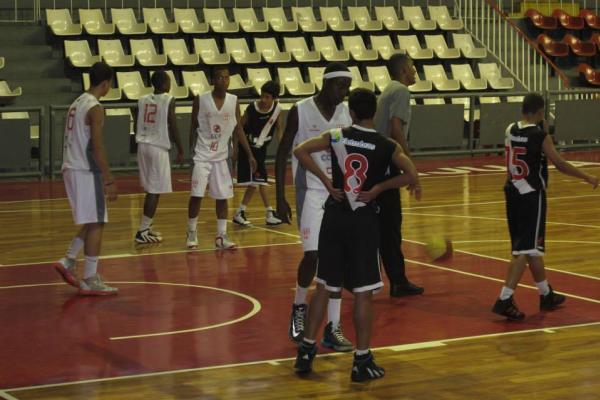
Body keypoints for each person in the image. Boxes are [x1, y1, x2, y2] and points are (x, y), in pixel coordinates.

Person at [293, 88, 419, 381]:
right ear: (374, 112)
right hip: (363, 220)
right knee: (363, 293)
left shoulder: (337, 136)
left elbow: (300, 151)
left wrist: (327, 182)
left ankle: (306, 351)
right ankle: (361, 360)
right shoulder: (386, 145)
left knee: (324, 286)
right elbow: (411, 174)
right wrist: (378, 188)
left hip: (335, 216)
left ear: (351, 112)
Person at [492, 93, 598, 320]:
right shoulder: (540, 136)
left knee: (532, 248)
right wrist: (586, 176)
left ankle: (546, 293)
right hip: (531, 195)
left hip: (512, 191)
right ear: (540, 112)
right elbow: (559, 164)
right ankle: (504, 298)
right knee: (523, 250)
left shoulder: (510, 129)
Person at [275, 63, 354, 352]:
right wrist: (279, 197)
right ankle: (299, 305)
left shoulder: (345, 113)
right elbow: (282, 153)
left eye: (348, 87)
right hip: (310, 190)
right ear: (326, 84)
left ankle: (333, 327)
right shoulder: (301, 110)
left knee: (337, 260)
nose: (345, 92)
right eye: (341, 86)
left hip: (338, 193)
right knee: (313, 255)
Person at [53, 61, 118, 295]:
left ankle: (68, 259)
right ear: (106, 84)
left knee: (92, 220)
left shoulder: (78, 101)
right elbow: (97, 147)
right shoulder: (95, 107)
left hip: (71, 166)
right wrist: (108, 179)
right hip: (85, 169)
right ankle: (90, 278)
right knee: (98, 221)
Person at [186, 66, 257, 250]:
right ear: (213, 81)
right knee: (196, 195)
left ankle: (221, 236)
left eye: (226, 77)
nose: (223, 80)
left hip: (221, 157)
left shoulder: (233, 100)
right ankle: (191, 231)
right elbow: (193, 126)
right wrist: (190, 152)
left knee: (222, 196)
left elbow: (238, 128)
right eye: (219, 77)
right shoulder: (201, 99)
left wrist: (248, 153)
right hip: (202, 155)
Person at [373, 53, 424, 297]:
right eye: (412, 67)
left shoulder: (388, 90)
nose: (415, 72)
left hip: (378, 161)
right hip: (387, 162)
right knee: (391, 226)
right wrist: (408, 164)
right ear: (403, 70)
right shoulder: (402, 91)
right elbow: (396, 128)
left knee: (384, 226)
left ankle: (391, 278)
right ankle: (397, 281)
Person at [134, 70, 184, 244]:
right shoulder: (168, 99)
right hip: (157, 147)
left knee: (151, 189)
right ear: (163, 84)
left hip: (142, 145)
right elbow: (173, 124)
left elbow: (137, 119)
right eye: (169, 82)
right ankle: (142, 231)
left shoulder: (142, 99)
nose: (170, 85)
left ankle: (146, 227)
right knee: (154, 191)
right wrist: (180, 148)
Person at [232, 81, 283, 227]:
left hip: (261, 149)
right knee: (261, 180)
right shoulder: (252, 108)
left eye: (267, 97)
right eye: (262, 96)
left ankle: (240, 212)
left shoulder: (277, 110)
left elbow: (279, 128)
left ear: (274, 98)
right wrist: (235, 149)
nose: (263, 100)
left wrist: (283, 148)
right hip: (248, 148)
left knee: (256, 182)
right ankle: (269, 213)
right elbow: (238, 128)